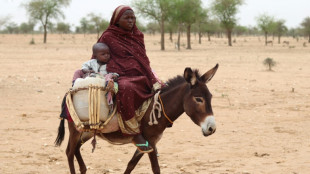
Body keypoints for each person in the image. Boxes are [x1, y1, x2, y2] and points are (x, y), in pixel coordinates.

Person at [95, 5, 161, 153]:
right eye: (127, 18)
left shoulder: (138, 35)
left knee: (161, 88)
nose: (131, 20)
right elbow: (98, 57)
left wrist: (151, 76)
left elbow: (143, 58)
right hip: (119, 75)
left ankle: (150, 126)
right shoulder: (108, 36)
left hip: (139, 74)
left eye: (133, 18)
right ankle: (134, 133)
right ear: (117, 20)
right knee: (126, 87)